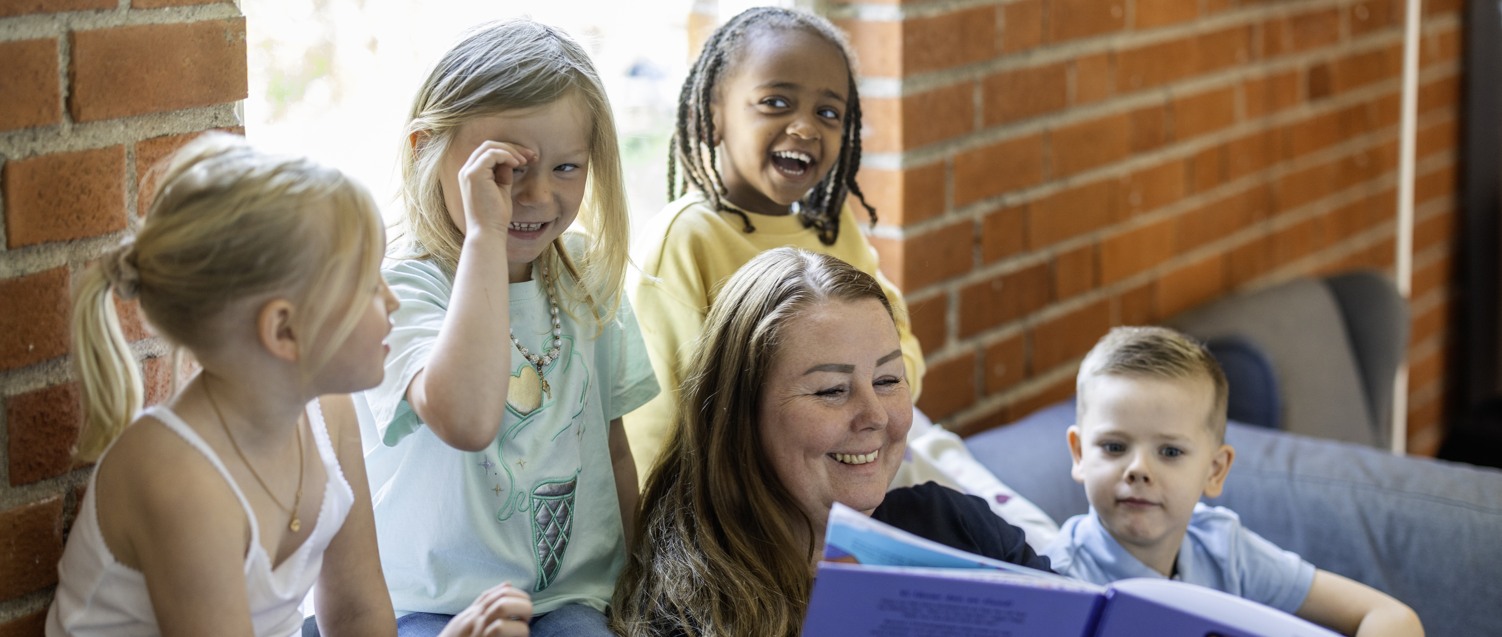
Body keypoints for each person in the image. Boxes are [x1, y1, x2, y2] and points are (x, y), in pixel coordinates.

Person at [47, 133, 532, 637]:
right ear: (283, 330)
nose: (391, 301)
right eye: (369, 285)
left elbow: (356, 615)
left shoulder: (328, 412)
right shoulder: (181, 479)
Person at [625, 5, 1057, 546]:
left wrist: (868, 402)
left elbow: (902, 354)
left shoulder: (832, 229)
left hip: (874, 446)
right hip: (761, 491)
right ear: (713, 113)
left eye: (829, 113)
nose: (805, 126)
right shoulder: (688, 239)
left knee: (1026, 539)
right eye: (776, 102)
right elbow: (662, 423)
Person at [362, 18, 658, 637]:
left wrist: (638, 586)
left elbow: (614, 450)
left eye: (567, 168)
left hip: (572, 599)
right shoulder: (401, 289)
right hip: (428, 604)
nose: (537, 196)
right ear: (426, 151)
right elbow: (466, 420)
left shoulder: (588, 279)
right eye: (505, 169)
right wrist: (483, 236)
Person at [611, 248, 1050, 637]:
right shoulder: (685, 616)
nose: (875, 416)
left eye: (887, 380)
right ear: (739, 415)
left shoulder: (957, 528)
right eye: (831, 390)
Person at [1044, 326, 1424, 636]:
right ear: (1079, 454)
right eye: (1114, 447)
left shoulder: (1223, 551)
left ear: (1215, 471)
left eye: (1170, 452)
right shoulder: (1058, 580)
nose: (1138, 469)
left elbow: (1391, 616)